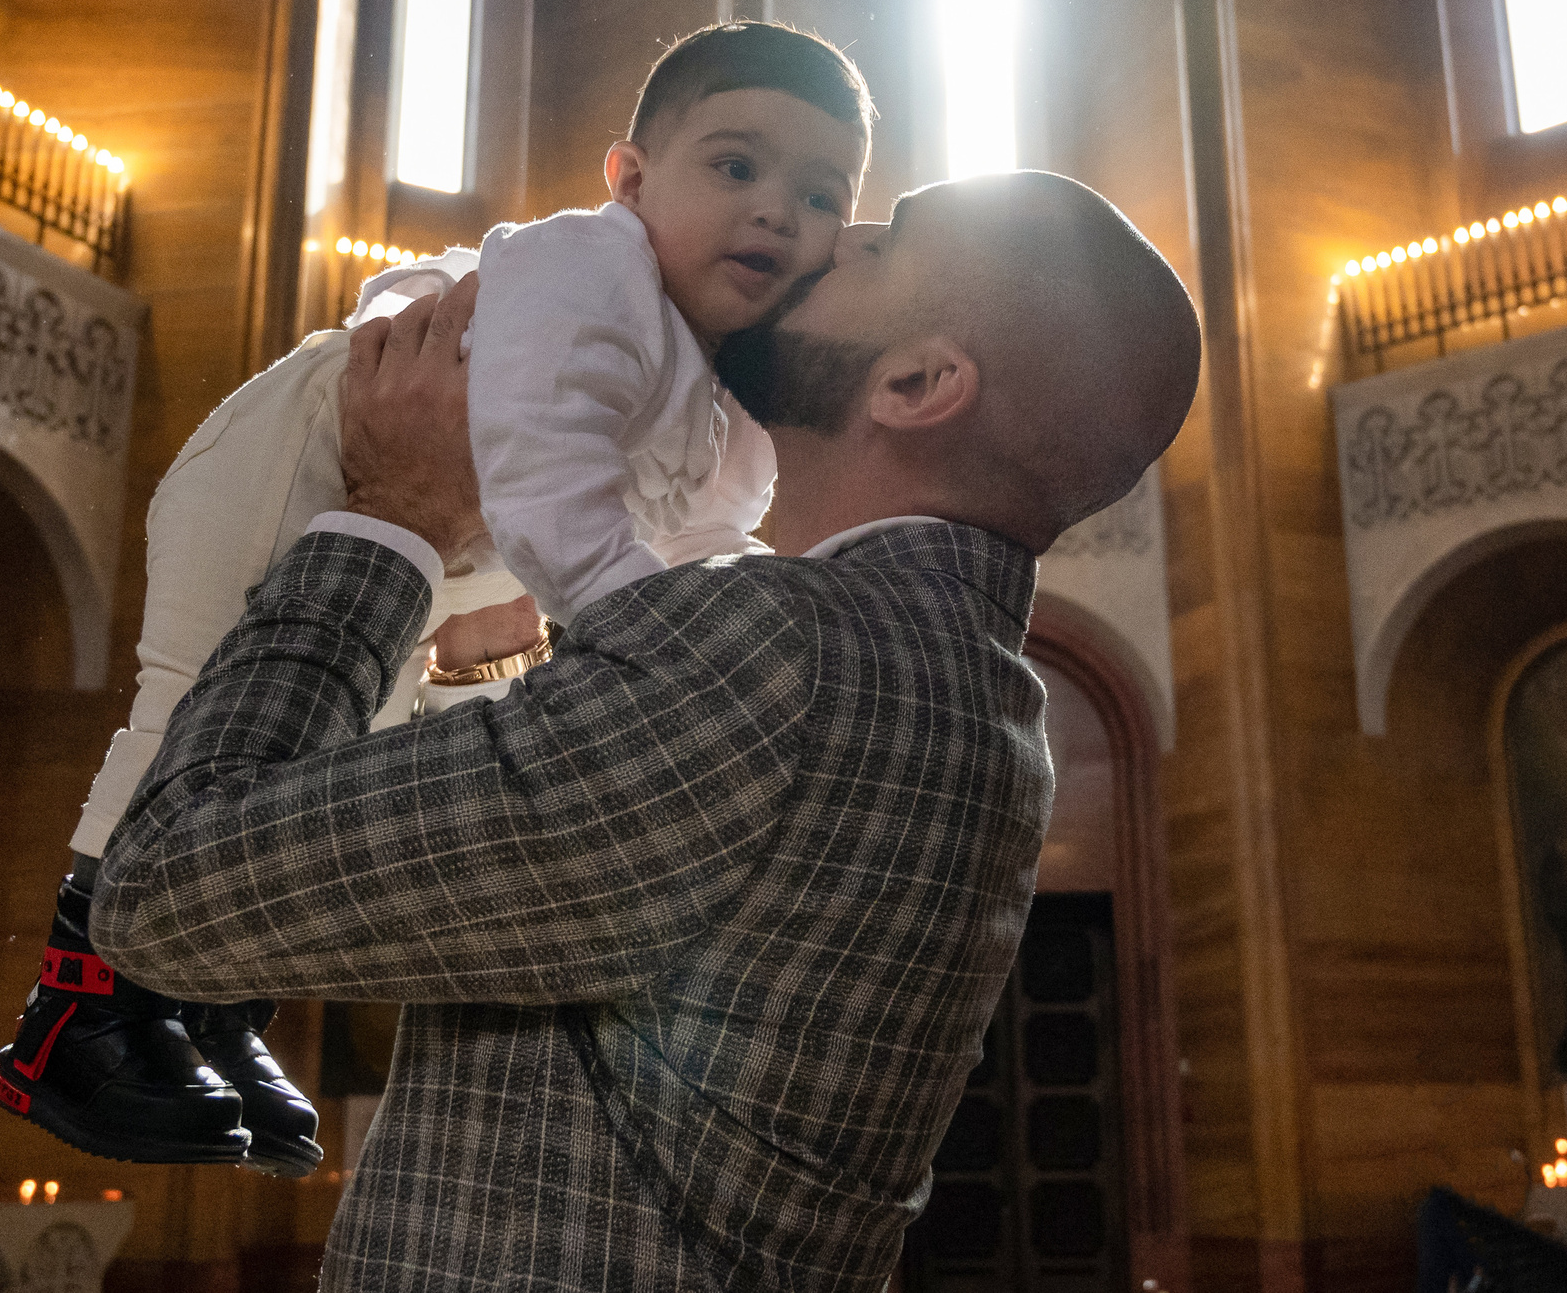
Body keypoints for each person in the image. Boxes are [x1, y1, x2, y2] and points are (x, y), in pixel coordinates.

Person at [88, 170, 1201, 1291]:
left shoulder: (782, 649)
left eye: (874, 243)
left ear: (917, 382)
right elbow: (610, 951)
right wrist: (510, 659)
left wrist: (393, 519)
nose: (817, 240)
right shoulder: (980, 700)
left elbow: (168, 891)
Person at [0, 22, 873, 1174]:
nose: (774, 211)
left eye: (820, 193)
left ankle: (207, 1006)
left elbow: (709, 540)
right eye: (736, 166)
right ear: (630, 178)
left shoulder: (731, 386)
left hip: (429, 551)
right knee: (194, 722)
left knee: (331, 751)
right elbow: (544, 469)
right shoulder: (590, 271)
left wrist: (747, 634)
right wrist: (650, 647)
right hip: (293, 462)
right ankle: (75, 1016)